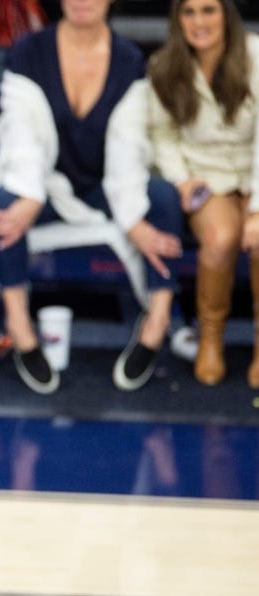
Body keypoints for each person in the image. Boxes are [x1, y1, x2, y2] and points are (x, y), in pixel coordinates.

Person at [0, 0, 186, 395]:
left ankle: (157, 322)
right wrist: (31, 194)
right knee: (6, 200)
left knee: (162, 198)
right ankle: (19, 326)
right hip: (47, 182)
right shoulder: (28, 51)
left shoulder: (129, 59)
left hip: (106, 185)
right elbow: (19, 133)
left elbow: (128, 146)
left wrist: (133, 220)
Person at [145, 0, 259, 388]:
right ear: (177, 18)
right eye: (189, 12)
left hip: (255, 167)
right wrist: (180, 179)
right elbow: (161, 134)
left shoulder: (256, 54)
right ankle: (210, 339)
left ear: (226, 14)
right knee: (220, 238)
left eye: (208, 10)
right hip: (206, 175)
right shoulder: (164, 67)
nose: (199, 21)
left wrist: (257, 209)